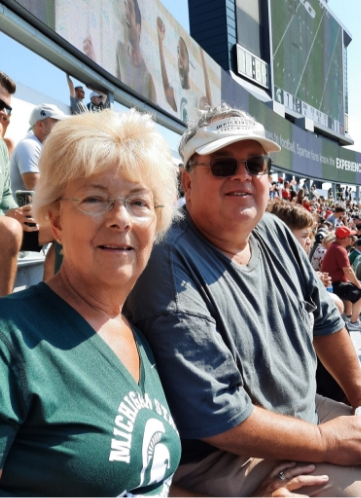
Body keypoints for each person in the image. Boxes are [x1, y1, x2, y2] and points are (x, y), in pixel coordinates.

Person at [125, 104, 361, 497]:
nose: (242, 175)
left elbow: (326, 322)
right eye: (222, 165)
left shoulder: (273, 230)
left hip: (303, 417)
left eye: (255, 164)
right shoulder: (168, 258)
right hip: (226, 454)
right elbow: (220, 417)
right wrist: (328, 442)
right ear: (186, 180)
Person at [0, 109, 182, 496]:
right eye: (95, 198)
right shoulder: (4, 339)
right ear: (56, 220)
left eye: (139, 202)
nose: (120, 218)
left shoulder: (138, 337)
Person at [0, 68, 36, 296]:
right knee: (9, 229)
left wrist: (21, 212)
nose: (3, 113)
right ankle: (1, 312)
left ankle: (52, 303)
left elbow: (7, 191)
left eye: (7, 108)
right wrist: (7, 218)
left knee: (57, 224)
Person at [157, 16, 212, 123]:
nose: (179, 58)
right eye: (177, 52)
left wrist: (203, 58)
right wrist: (160, 41)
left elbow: (208, 105)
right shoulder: (177, 91)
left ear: (188, 63)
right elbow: (166, 89)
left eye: (181, 53)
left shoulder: (196, 96)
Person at [10, 103, 67, 196]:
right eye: (57, 123)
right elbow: (40, 193)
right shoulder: (29, 146)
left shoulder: (40, 147)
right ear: (40, 125)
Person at [322, 226, 361, 330]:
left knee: (351, 286)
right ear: (345, 238)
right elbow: (348, 271)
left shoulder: (335, 247)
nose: (352, 239)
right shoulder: (339, 249)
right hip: (332, 285)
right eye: (350, 236)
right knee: (359, 292)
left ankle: (349, 316)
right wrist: (358, 285)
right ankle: (353, 323)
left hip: (332, 283)